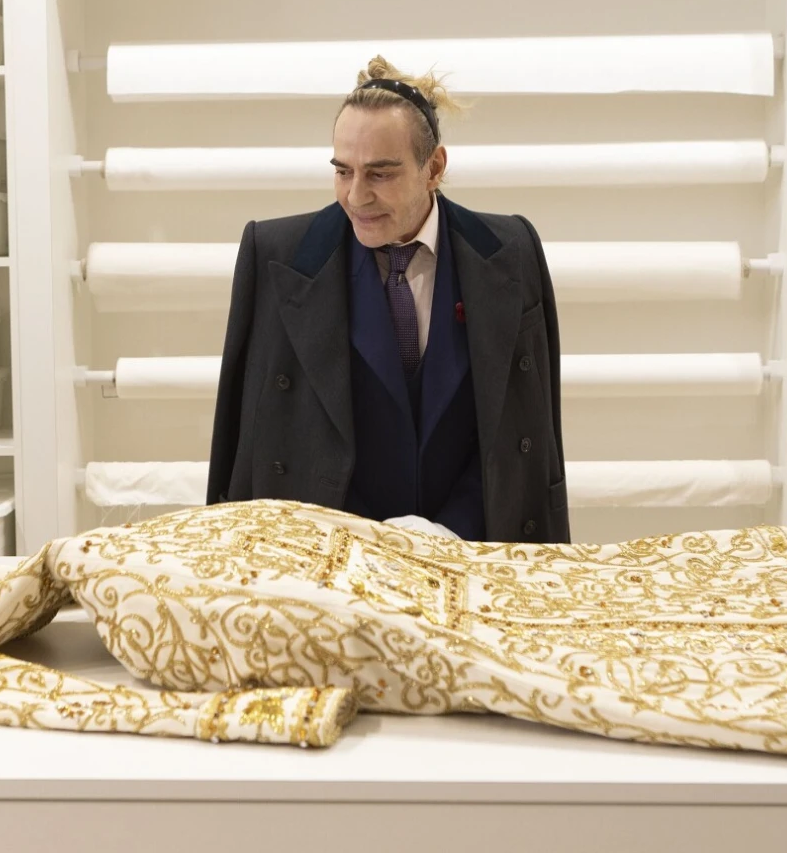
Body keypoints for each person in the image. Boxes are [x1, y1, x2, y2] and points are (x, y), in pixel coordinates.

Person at [207, 57, 567, 542]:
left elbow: (529, 432)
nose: (356, 196)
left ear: (433, 167)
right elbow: (244, 440)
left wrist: (445, 533)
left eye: (380, 174)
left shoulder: (511, 251)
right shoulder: (274, 255)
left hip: (475, 549)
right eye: (343, 171)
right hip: (322, 554)